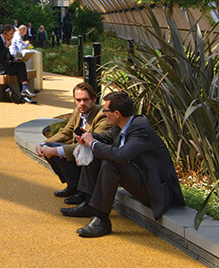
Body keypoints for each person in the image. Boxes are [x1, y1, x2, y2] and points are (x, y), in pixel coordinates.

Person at [62, 91, 185, 238]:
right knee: (97, 152)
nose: (103, 113)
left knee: (111, 163)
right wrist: (87, 136)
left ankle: (102, 220)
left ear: (117, 113)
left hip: (155, 188)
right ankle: (89, 204)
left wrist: (92, 142)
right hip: (140, 177)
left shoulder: (140, 130)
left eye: (106, 111)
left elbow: (121, 156)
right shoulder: (121, 125)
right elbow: (103, 138)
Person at [35, 82, 109, 204]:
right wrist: (43, 144)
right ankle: (73, 186)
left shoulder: (102, 116)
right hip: (81, 152)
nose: (82, 103)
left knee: (55, 151)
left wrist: (54, 151)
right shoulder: (77, 111)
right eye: (78, 100)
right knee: (48, 148)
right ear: (74, 100)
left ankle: (82, 192)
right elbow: (66, 132)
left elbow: (93, 144)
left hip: (96, 157)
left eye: (85, 99)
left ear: (94, 99)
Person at [0, 24, 35, 103]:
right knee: (20, 70)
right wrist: (7, 47)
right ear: (5, 33)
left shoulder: (6, 40)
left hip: (4, 64)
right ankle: (24, 93)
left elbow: (8, 55)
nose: (12, 36)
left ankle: (24, 89)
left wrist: (14, 58)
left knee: (21, 64)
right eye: (11, 34)